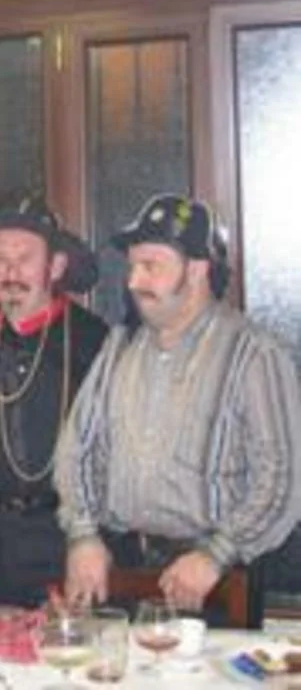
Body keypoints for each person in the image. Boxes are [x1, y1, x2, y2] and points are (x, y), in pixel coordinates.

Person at [55, 194, 301, 625]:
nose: (134, 281)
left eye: (151, 266)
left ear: (197, 269)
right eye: (132, 266)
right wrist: (83, 536)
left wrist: (215, 554)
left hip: (215, 587)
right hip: (122, 574)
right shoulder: (118, 347)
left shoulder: (254, 355)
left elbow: (280, 478)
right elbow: (77, 450)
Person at [0, 195, 108, 607]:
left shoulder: (92, 341)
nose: (11, 272)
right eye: (0, 259)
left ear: (57, 266)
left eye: (25, 259)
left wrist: (89, 539)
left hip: (63, 538)